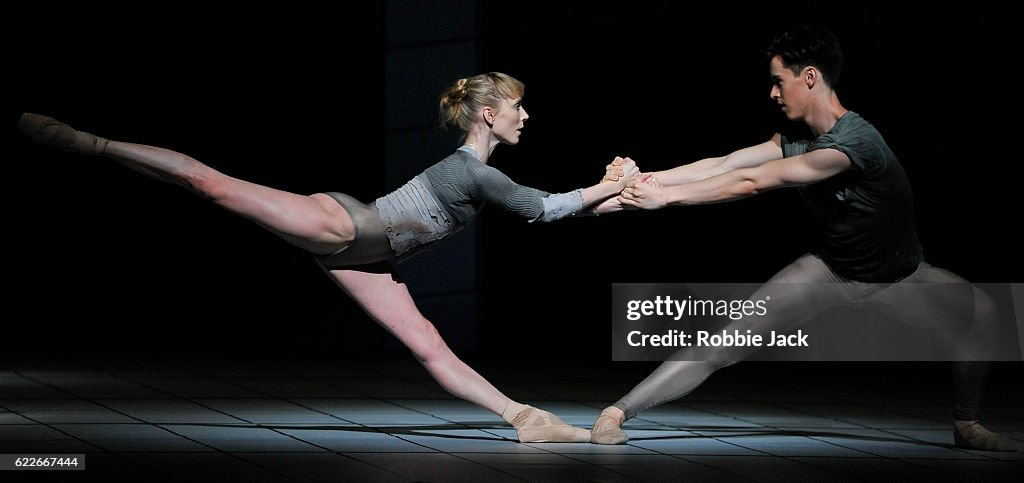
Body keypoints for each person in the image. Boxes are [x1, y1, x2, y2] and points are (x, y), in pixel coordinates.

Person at [17, 71, 639, 443]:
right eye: (517, 107)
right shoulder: (468, 171)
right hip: (343, 225)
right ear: (488, 114)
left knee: (428, 345)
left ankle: (523, 417)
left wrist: (631, 195)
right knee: (213, 184)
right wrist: (609, 185)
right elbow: (545, 208)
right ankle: (89, 143)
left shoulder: (479, 173)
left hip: (366, 257)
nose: (525, 115)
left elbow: (561, 209)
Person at [593, 27, 1017, 451]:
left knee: (984, 314)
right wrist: (642, 178)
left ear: (809, 77)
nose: (773, 93)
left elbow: (752, 182)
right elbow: (724, 163)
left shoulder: (855, 143)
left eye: (779, 81)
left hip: (900, 276)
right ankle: (616, 413)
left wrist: (664, 198)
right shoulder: (794, 139)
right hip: (829, 270)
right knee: (723, 342)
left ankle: (966, 424)